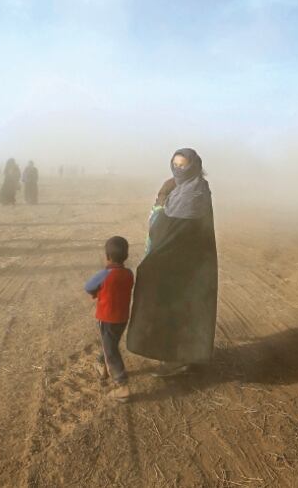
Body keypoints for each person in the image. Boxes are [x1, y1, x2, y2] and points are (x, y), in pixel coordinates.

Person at [127, 148, 217, 377]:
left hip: (185, 262)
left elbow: (177, 231)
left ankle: (178, 358)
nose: (178, 169)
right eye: (175, 164)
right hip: (179, 260)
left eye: (182, 165)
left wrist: (153, 257)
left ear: (194, 165)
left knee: (179, 307)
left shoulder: (195, 191)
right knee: (179, 307)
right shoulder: (178, 187)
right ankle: (186, 355)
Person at [84, 236, 135, 402]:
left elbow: (88, 287)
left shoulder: (105, 274)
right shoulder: (129, 274)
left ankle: (122, 386)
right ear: (125, 256)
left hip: (107, 318)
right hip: (122, 318)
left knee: (110, 349)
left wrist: (98, 292)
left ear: (107, 256)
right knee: (110, 343)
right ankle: (102, 364)